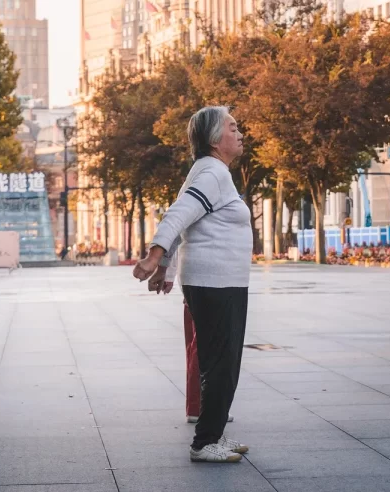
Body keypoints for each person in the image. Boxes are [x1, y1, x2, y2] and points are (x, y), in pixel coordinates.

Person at [134, 106, 252, 463]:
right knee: (221, 363)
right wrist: (155, 258)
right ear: (216, 140)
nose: (240, 133)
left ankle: (214, 434)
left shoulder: (210, 171)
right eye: (233, 128)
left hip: (221, 281)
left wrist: (166, 265)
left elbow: (186, 221)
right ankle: (204, 443)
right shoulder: (212, 173)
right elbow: (178, 214)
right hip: (216, 284)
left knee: (222, 361)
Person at [148, 255, 235, 425]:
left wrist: (168, 274)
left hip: (197, 284)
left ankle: (198, 407)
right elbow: (174, 236)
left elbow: (176, 239)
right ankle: (200, 408)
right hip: (206, 285)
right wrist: (166, 273)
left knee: (196, 347)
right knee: (203, 349)